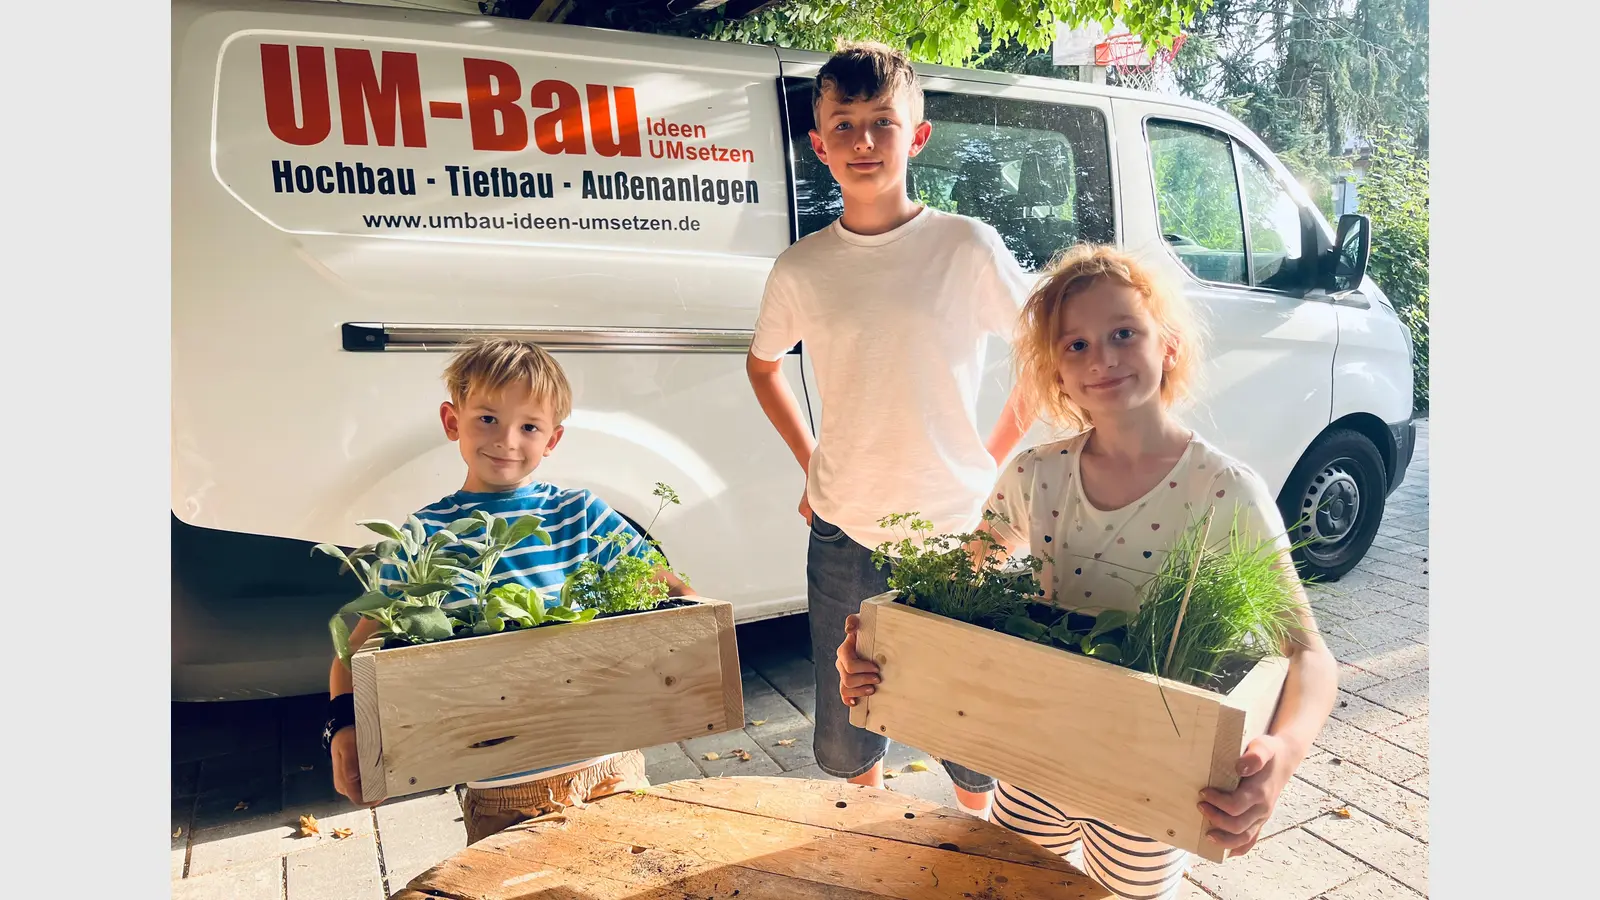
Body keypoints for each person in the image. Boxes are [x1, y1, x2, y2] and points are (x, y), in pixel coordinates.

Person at [834, 245, 1339, 899]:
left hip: (1152, 770)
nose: (1101, 357)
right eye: (1074, 345)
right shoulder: (1035, 475)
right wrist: (879, 639)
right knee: (1020, 885)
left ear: (1170, 346)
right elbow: (948, 594)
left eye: (1123, 333)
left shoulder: (1222, 491)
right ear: (1056, 374)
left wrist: (1284, 754)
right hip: (1034, 751)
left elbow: (1309, 655)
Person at [746, 40, 1035, 819]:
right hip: (844, 531)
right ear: (818, 144)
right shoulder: (802, 268)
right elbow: (764, 364)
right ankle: (866, 841)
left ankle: (978, 847)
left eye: (883, 122)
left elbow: (1045, 357)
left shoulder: (964, 246)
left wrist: (991, 456)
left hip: (960, 531)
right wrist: (811, 466)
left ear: (917, 135)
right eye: (844, 124)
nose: (864, 142)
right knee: (846, 736)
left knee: (975, 738)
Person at [321, 338, 693, 843]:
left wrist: (680, 643)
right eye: (488, 419)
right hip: (500, 788)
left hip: (610, 766)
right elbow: (359, 650)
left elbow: (675, 594)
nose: (508, 441)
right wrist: (344, 727)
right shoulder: (425, 535)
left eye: (529, 427)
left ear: (552, 439)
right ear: (453, 421)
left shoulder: (579, 514)